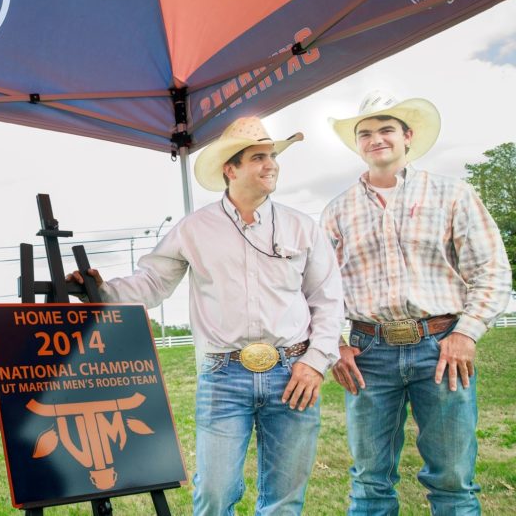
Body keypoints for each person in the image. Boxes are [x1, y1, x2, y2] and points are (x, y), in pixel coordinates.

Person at [69, 116, 342, 515]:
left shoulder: (303, 227)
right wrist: (100, 291)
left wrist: (315, 364)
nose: (271, 165)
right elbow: (152, 283)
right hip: (223, 375)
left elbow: (328, 300)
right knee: (214, 494)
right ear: (230, 169)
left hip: (293, 370)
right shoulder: (194, 229)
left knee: (285, 499)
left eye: (273, 156)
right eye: (259, 157)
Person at [322, 91, 511, 515]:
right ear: (358, 145)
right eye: (366, 133)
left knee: (452, 479)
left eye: (386, 130)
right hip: (369, 352)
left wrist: (466, 332)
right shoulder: (337, 212)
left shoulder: (453, 195)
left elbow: (491, 270)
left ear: (407, 137)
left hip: (441, 346)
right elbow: (322, 289)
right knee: (369, 480)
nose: (376, 139)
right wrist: (335, 343)